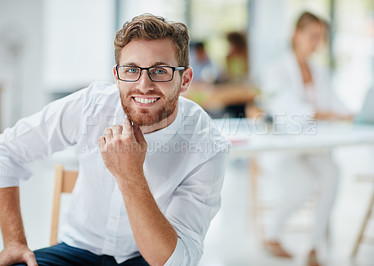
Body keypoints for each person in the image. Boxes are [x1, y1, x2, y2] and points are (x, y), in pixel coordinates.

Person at [0, 14, 230, 266]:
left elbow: (176, 260)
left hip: (147, 257)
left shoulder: (207, 145)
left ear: (185, 79)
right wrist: (14, 242)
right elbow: (7, 150)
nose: (144, 85)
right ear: (117, 75)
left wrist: (130, 174)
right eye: (131, 70)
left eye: (160, 71)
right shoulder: (91, 105)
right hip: (76, 250)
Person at [261, 11, 351, 266]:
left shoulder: (319, 70)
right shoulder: (276, 70)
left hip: (313, 146)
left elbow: (336, 105)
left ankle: (314, 246)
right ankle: (272, 234)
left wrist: (351, 114)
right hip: (285, 147)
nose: (316, 43)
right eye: (312, 36)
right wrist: (329, 114)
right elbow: (288, 111)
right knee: (303, 184)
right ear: (296, 35)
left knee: (333, 173)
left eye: (320, 37)